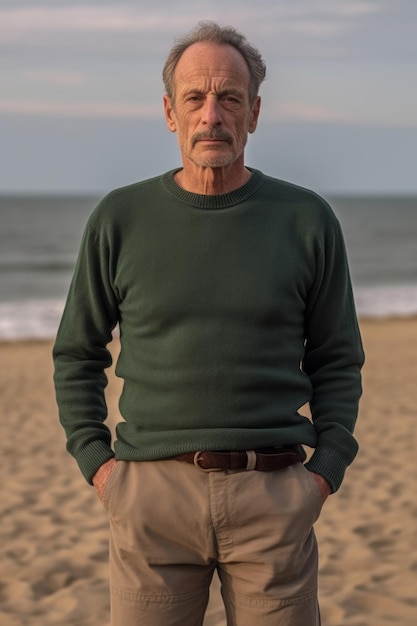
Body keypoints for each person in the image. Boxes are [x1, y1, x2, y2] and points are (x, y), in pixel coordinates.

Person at [53, 20, 364, 626]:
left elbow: (337, 357)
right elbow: (77, 352)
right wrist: (99, 465)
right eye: (195, 98)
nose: (211, 115)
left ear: (254, 112)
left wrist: (325, 472)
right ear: (170, 112)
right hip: (150, 499)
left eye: (229, 98)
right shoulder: (120, 217)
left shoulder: (306, 219)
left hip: (275, 494)